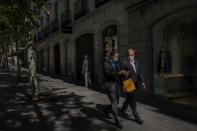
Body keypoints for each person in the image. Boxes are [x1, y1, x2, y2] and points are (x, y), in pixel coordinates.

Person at [120, 48, 146, 124]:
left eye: (132, 55)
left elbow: (140, 73)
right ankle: (137, 117)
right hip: (128, 83)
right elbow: (122, 75)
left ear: (134, 54)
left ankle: (123, 109)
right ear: (127, 55)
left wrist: (143, 82)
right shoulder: (124, 63)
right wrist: (123, 84)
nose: (130, 56)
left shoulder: (137, 62)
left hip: (136, 83)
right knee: (133, 100)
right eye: (129, 55)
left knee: (129, 98)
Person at [102, 50, 127, 129]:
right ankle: (117, 121)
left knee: (117, 102)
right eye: (116, 57)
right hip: (109, 85)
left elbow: (120, 75)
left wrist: (124, 75)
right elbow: (108, 73)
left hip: (117, 85)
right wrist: (119, 73)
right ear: (111, 56)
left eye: (117, 57)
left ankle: (106, 110)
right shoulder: (106, 63)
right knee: (114, 102)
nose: (117, 58)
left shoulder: (117, 63)